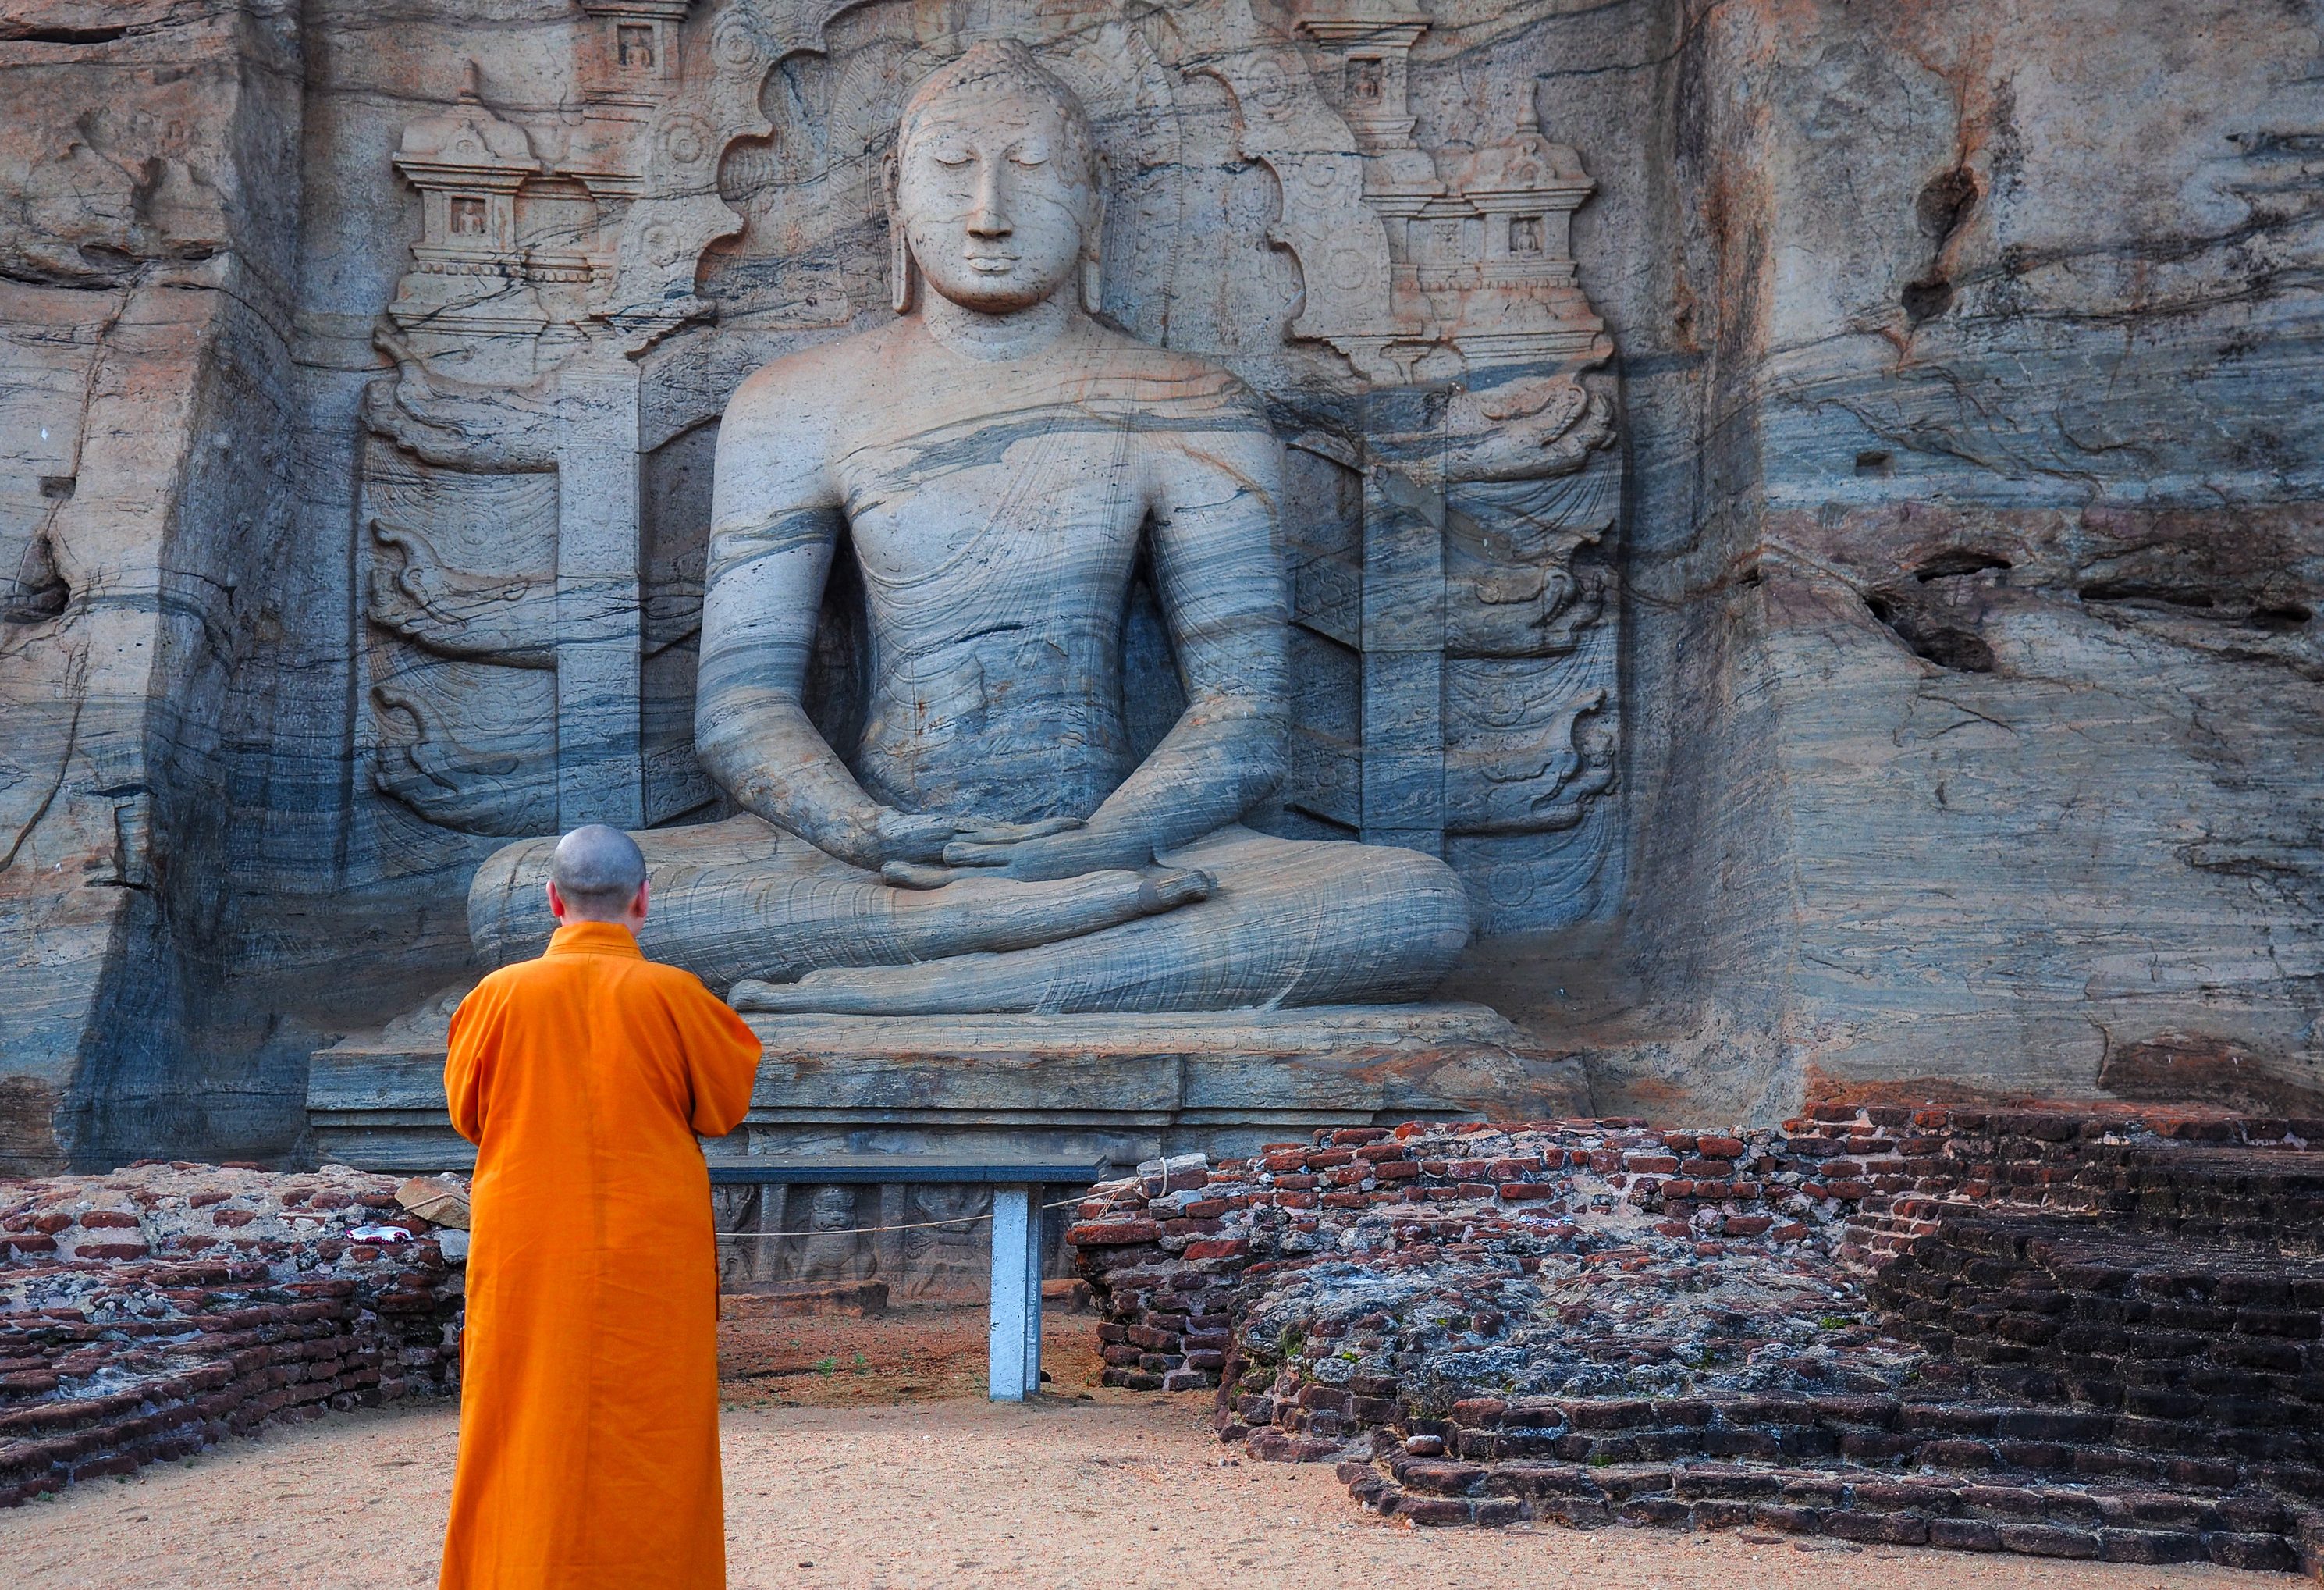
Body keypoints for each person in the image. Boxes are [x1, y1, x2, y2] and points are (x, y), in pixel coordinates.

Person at [438, 823, 762, 1590]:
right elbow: (724, 1107)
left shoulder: (496, 997)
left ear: (551, 901)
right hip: (650, 1254)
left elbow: (466, 1112)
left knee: (521, 1421)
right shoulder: (678, 998)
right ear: (643, 901)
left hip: (528, 1244)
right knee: (654, 1431)